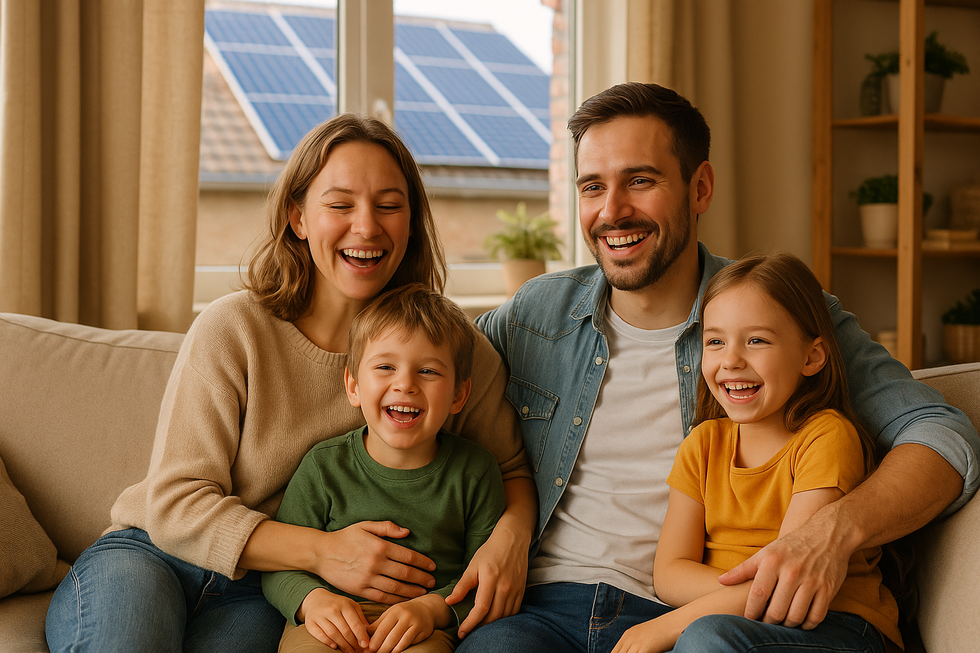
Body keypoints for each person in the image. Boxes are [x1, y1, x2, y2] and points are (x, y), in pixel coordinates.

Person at [459, 82, 979, 652]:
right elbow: (413, 369)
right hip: (542, 608)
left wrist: (830, 533)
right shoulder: (536, 314)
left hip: (693, 618)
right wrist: (504, 526)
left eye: (640, 180)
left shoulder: (779, 313)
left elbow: (944, 438)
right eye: (592, 187)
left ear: (700, 187)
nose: (611, 211)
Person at [45, 114, 536, 653]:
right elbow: (175, 505)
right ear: (298, 217)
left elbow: (511, 469)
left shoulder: (451, 348)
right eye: (340, 205)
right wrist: (323, 552)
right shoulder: (234, 327)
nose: (366, 227)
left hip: (267, 591)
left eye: (389, 206)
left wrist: (511, 539)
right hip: (155, 556)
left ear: (412, 223)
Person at [613, 252, 901, 653]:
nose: (731, 360)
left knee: (703, 638)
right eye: (715, 341)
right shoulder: (702, 444)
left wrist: (668, 626)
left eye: (757, 340)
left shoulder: (826, 438)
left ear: (811, 356)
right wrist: (747, 591)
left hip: (835, 626)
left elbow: (790, 576)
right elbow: (669, 574)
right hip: (731, 620)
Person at [263, 283, 506, 653]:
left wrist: (432, 610)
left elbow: (484, 578)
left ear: (459, 395)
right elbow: (279, 567)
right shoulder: (323, 466)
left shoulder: (475, 472)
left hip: (421, 630)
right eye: (385, 367)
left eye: (428, 371)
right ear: (353, 385)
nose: (405, 384)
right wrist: (312, 601)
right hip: (328, 624)